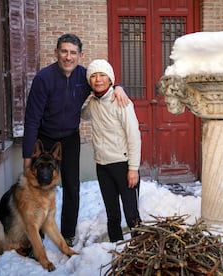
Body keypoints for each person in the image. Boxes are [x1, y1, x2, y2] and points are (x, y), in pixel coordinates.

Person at [22, 34, 129, 246]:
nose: (68, 57)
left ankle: (68, 234)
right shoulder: (44, 79)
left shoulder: (84, 76)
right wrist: (27, 156)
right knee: (39, 188)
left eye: (73, 52)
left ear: (80, 55)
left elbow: (104, 81)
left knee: (72, 186)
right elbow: (32, 119)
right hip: (45, 138)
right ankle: (36, 238)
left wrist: (119, 86)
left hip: (69, 138)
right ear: (56, 53)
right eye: (64, 51)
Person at [82, 59, 142, 242]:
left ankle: (140, 248)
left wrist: (133, 168)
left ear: (110, 79)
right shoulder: (92, 103)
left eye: (102, 75)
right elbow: (82, 114)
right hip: (103, 165)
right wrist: (86, 95)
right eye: (93, 76)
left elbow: (134, 135)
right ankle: (114, 248)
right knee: (112, 213)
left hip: (123, 165)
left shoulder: (121, 101)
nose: (98, 79)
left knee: (131, 213)